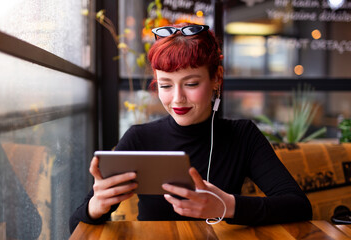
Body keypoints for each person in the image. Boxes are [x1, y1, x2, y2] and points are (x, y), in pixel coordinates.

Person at [69, 23, 312, 233]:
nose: (177, 99)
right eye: (165, 86)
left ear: (217, 78)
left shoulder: (243, 136)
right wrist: (96, 206)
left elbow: (299, 206)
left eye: (191, 83)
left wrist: (225, 205)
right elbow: (75, 225)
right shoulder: (140, 138)